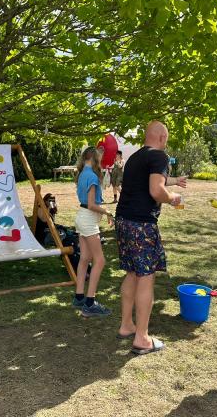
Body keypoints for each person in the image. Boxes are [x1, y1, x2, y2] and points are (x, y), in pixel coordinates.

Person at [115, 121, 186, 355]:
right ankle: (142, 338)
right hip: (142, 224)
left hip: (123, 221)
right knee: (146, 277)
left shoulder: (135, 158)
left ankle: (127, 325)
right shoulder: (160, 156)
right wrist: (173, 197)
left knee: (132, 273)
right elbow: (156, 190)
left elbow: (144, 186)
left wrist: (171, 185)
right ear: (163, 137)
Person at [72, 146, 114, 317]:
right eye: (100, 157)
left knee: (85, 258)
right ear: (94, 158)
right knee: (100, 260)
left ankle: (79, 297)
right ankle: (89, 303)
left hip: (82, 218)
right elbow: (91, 205)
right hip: (88, 219)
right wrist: (108, 212)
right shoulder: (92, 176)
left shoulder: (83, 173)